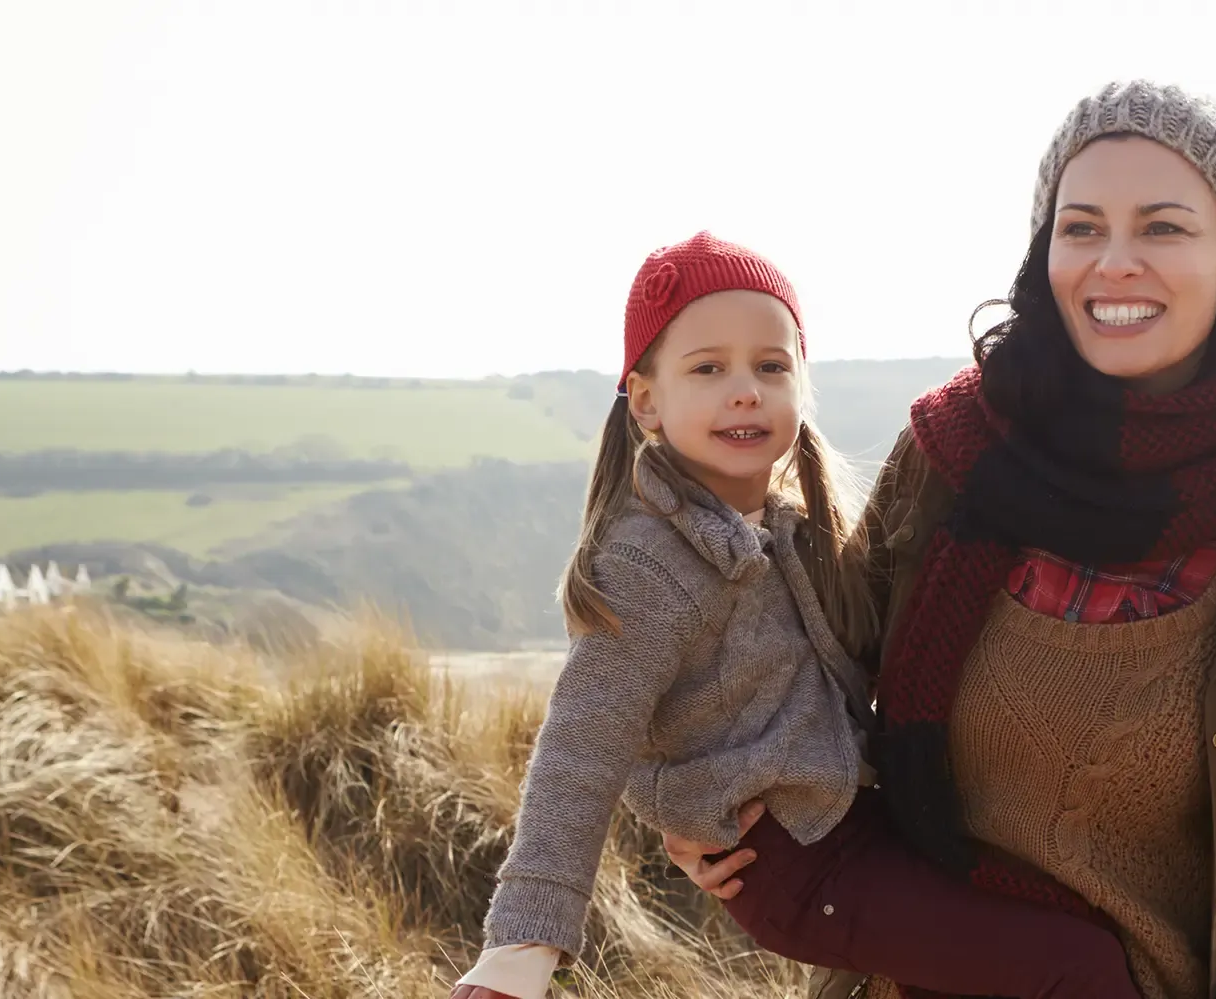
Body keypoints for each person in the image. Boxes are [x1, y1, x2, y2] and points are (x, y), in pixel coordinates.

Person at [666, 80, 1216, 999]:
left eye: (1164, 228)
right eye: (1083, 225)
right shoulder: (953, 455)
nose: (1115, 261)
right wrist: (701, 795)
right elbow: (814, 670)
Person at [452, 232, 1142, 999]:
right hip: (795, 865)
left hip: (856, 824)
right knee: (1078, 969)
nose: (744, 389)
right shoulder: (651, 563)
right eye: (708, 368)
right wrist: (526, 940)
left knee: (1068, 926)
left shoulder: (790, 527)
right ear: (646, 400)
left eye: (770, 365)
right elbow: (583, 746)